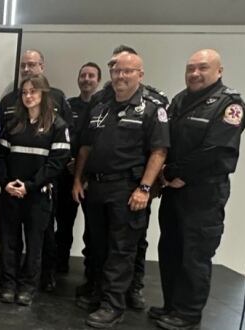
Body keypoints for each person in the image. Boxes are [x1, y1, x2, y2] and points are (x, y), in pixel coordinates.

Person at [151, 49, 245, 330]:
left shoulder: (230, 105)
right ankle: (171, 306)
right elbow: (165, 140)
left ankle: (188, 314)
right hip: (173, 189)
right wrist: (166, 174)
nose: (194, 73)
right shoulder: (180, 100)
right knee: (170, 249)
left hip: (204, 193)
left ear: (219, 71)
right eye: (190, 68)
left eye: (202, 68)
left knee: (195, 254)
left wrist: (179, 173)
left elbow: (216, 150)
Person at [72, 52, 169, 328]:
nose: (120, 76)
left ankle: (113, 306)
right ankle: (100, 294)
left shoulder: (151, 108)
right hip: (97, 186)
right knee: (97, 246)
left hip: (128, 189)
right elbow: (86, 148)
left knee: (122, 249)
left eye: (127, 71)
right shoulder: (101, 106)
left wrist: (145, 188)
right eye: (116, 71)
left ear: (140, 74)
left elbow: (159, 151)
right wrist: (78, 179)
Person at [0, 49, 72, 292]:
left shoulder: (57, 126)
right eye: (25, 92)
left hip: (38, 195)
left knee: (36, 243)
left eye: (33, 92)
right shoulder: (13, 123)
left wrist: (29, 186)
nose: (28, 96)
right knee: (9, 243)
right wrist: (6, 183)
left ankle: (28, 288)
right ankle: (8, 284)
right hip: (10, 193)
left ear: (44, 94)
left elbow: (57, 162)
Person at [58, 62, 101, 274]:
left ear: (98, 81)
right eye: (83, 75)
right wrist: (69, 162)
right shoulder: (68, 105)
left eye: (91, 76)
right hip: (67, 173)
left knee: (94, 227)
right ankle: (60, 265)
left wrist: (85, 167)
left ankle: (90, 272)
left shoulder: (104, 107)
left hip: (92, 177)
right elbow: (62, 136)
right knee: (64, 223)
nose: (86, 79)